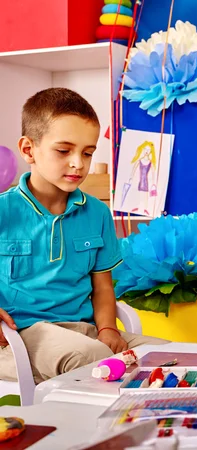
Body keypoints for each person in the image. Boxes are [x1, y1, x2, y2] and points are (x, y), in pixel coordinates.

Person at [0, 88, 167, 384]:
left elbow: (102, 287)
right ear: (28, 150)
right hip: (23, 334)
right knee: (92, 359)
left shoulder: (97, 214)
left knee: (169, 355)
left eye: (87, 152)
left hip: (83, 329)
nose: (78, 163)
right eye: (64, 151)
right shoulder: (4, 209)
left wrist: (108, 330)